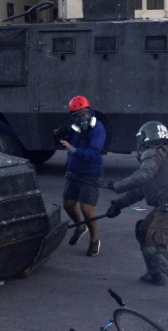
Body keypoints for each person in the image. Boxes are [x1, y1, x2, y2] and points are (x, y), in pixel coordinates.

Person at [102, 121, 168, 308]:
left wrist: (115, 186)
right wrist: (118, 205)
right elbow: (142, 188)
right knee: (143, 229)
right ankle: (154, 273)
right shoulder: (164, 152)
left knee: (154, 246)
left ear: (145, 138)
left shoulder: (154, 151)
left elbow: (142, 177)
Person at [55, 95, 106, 256]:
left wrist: (74, 150)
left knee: (86, 208)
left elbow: (94, 154)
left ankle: (94, 240)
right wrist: (59, 137)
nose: (82, 118)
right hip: (73, 173)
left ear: (89, 112)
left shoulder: (98, 129)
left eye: (84, 114)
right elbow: (65, 140)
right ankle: (80, 226)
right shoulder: (74, 129)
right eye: (77, 116)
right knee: (68, 205)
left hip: (90, 174)